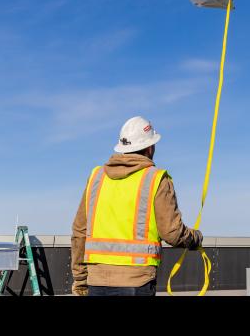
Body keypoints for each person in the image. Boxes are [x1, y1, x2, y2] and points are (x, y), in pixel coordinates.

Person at [70, 116, 202, 296]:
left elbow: (79, 231)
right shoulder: (156, 179)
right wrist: (195, 238)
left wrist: (80, 279)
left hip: (96, 281)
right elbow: (172, 233)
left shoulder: (96, 178)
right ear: (150, 147)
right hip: (137, 282)